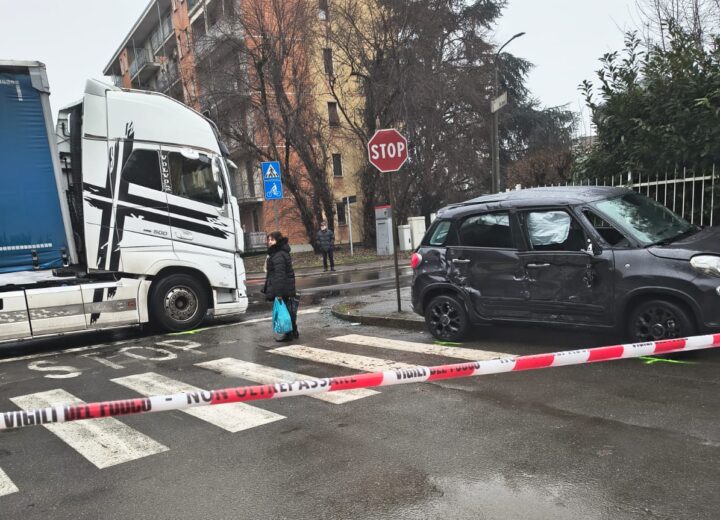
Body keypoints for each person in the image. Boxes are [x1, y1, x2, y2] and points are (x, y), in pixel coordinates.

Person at [263, 231, 299, 340]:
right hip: (285, 286)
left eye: (272, 240)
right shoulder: (277, 253)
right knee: (288, 310)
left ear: (277, 240)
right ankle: (294, 332)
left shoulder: (278, 254)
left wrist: (278, 293)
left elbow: (279, 275)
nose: (269, 242)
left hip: (283, 288)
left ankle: (289, 334)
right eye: (268, 240)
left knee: (286, 311)